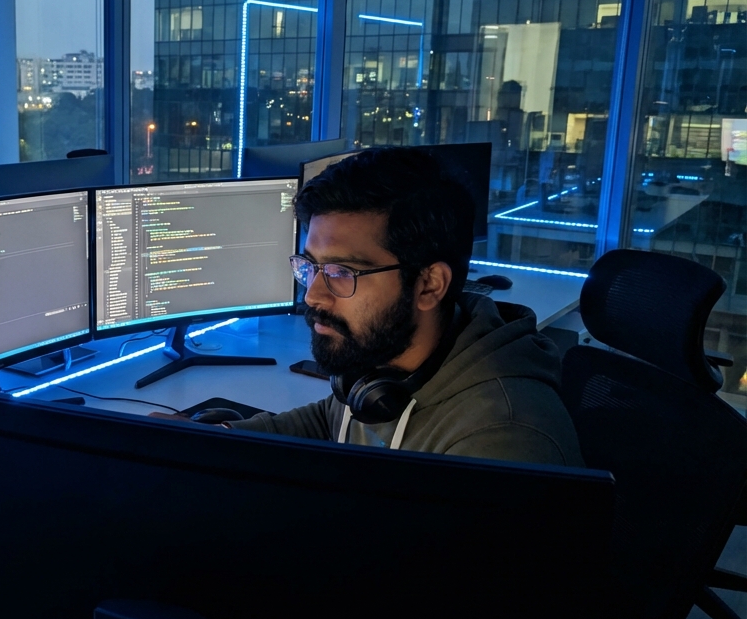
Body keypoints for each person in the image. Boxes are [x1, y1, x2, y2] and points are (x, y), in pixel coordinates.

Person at [228, 147, 583, 466]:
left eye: (341, 271)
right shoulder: (385, 365)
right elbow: (328, 422)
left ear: (429, 285)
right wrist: (219, 435)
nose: (313, 295)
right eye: (310, 267)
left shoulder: (501, 443)